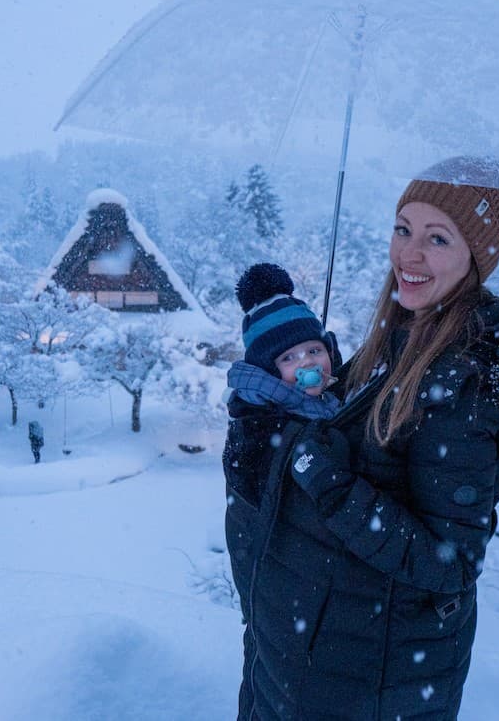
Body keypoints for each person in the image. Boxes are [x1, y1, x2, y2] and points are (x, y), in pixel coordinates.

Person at [237, 156, 499, 720]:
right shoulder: (398, 341)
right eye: (403, 229)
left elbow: (448, 564)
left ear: (478, 257)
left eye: (438, 238)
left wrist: (326, 479)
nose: (409, 254)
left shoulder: (465, 385)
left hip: (368, 681)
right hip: (311, 660)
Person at [221, 263, 342, 718]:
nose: (308, 363)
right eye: (290, 358)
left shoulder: (320, 403)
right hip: (278, 591)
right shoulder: (262, 422)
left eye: (314, 349)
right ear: (268, 370)